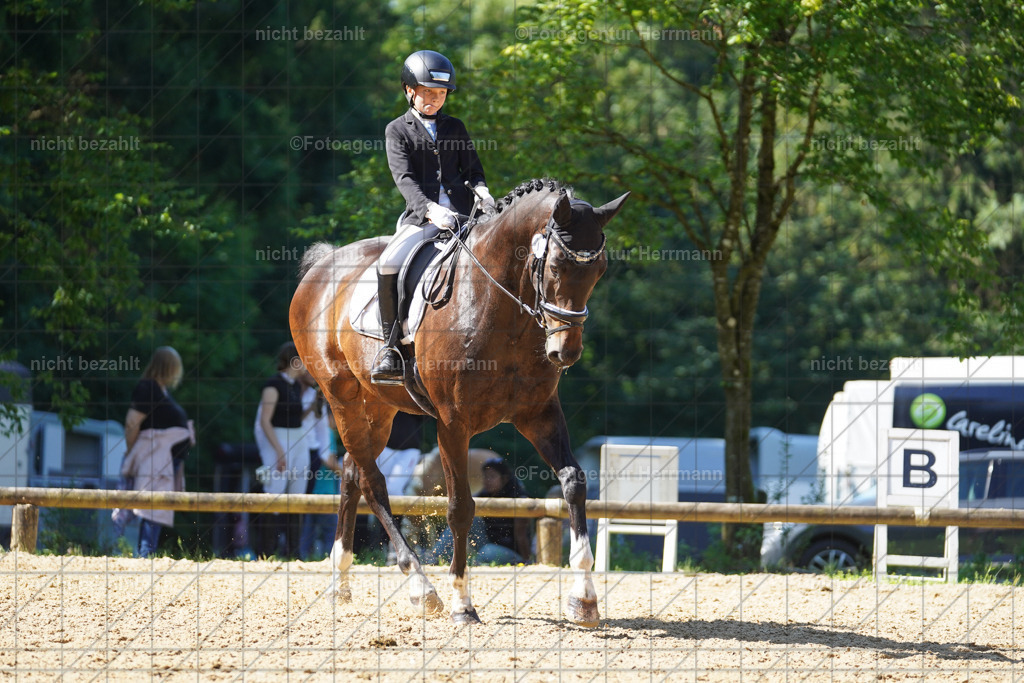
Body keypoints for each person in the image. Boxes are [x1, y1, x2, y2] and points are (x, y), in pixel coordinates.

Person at [372, 49, 496, 384]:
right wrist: (430, 209)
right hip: (423, 218)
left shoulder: (455, 127)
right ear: (409, 90)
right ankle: (391, 347)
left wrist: (482, 191)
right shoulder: (397, 130)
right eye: (427, 92)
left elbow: (472, 170)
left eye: (440, 94)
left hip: (465, 218)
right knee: (388, 264)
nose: (434, 99)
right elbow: (404, 179)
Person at [118, 346, 195, 557]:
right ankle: (145, 554)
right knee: (152, 506)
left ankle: (147, 553)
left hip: (166, 460)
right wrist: (132, 453)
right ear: (169, 367)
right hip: (154, 458)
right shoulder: (148, 387)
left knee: (156, 506)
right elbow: (132, 422)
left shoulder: (161, 390)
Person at [254, 342, 309, 557]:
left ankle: (294, 553)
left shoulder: (296, 386)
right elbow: (265, 421)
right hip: (277, 439)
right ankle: (266, 552)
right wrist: (279, 451)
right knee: (274, 493)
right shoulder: (273, 385)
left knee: (298, 495)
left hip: (298, 438)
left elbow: (295, 417)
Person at [425, 456, 532, 566]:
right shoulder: (485, 494)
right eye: (485, 476)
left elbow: (521, 535)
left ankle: (475, 564)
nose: (487, 480)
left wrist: (527, 560)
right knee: (466, 517)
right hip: (488, 545)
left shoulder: (518, 497)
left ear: (504, 479)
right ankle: (434, 557)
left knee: (487, 551)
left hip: (511, 552)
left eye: (492, 476)